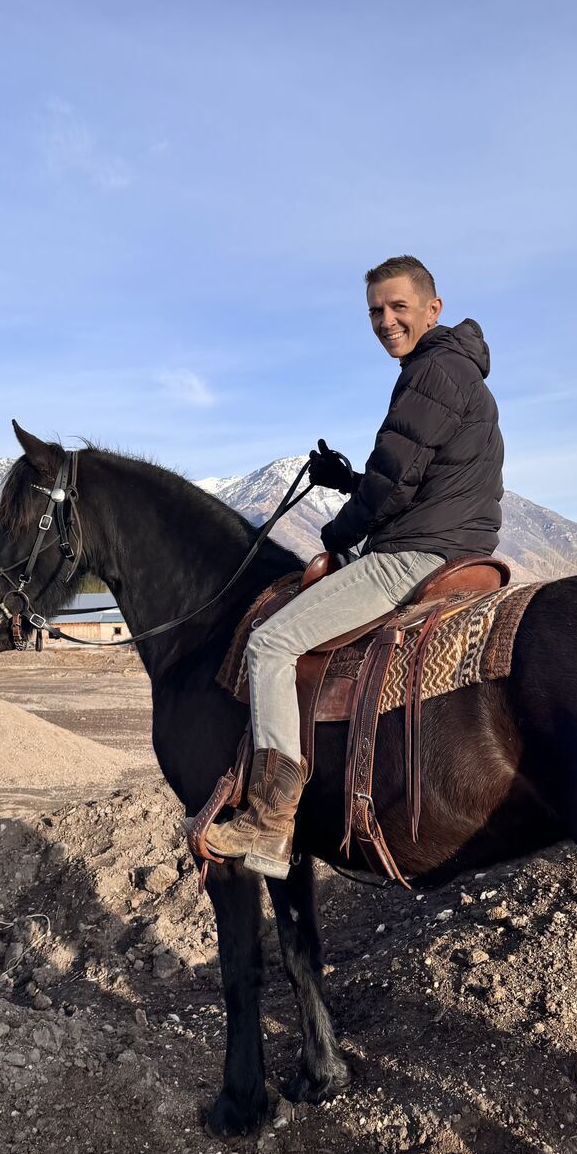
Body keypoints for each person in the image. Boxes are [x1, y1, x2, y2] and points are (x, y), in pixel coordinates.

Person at [203, 254, 504, 878]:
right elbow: (414, 474)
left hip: (417, 555)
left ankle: (268, 821)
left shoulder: (432, 372)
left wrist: (338, 531)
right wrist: (348, 482)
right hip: (457, 544)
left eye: (398, 307)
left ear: (433, 309)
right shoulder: (454, 372)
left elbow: (392, 482)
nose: (386, 321)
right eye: (375, 311)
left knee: (270, 643)